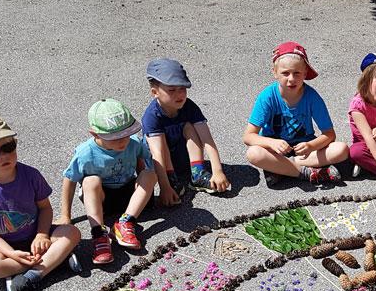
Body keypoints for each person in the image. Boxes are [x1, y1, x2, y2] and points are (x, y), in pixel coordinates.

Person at [0, 116, 81, 291]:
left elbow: (45, 208)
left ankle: (31, 275)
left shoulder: (30, 175)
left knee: (72, 232)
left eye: (9, 147)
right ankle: (50, 263)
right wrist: (12, 253)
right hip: (5, 246)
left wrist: (42, 234)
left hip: (38, 236)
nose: (4, 156)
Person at [58, 99, 157, 265]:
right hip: (101, 199)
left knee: (150, 174)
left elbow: (141, 163)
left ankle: (125, 222)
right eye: (115, 138)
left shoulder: (133, 143)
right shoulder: (85, 152)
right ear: (94, 134)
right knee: (91, 181)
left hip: (127, 196)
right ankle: (99, 234)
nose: (122, 141)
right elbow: (69, 179)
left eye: (126, 135)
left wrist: (148, 195)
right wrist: (65, 215)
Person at [244, 41, 349, 185]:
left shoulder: (312, 97)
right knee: (253, 153)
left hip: (304, 151)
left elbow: (329, 135)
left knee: (341, 149)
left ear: (305, 73)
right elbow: (248, 136)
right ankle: (306, 173)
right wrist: (272, 143)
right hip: (276, 150)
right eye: (285, 73)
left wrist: (311, 146)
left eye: (297, 73)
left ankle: (281, 168)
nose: (291, 79)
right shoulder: (267, 96)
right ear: (274, 72)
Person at [141, 58, 230, 206]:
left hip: (183, 156)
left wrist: (218, 171)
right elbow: (157, 155)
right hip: (161, 164)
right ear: (155, 92)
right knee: (158, 140)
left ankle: (197, 173)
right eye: (171, 90)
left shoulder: (189, 107)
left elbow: (207, 140)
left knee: (189, 125)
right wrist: (164, 188)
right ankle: (171, 180)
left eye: (182, 88)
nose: (179, 94)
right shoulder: (151, 116)